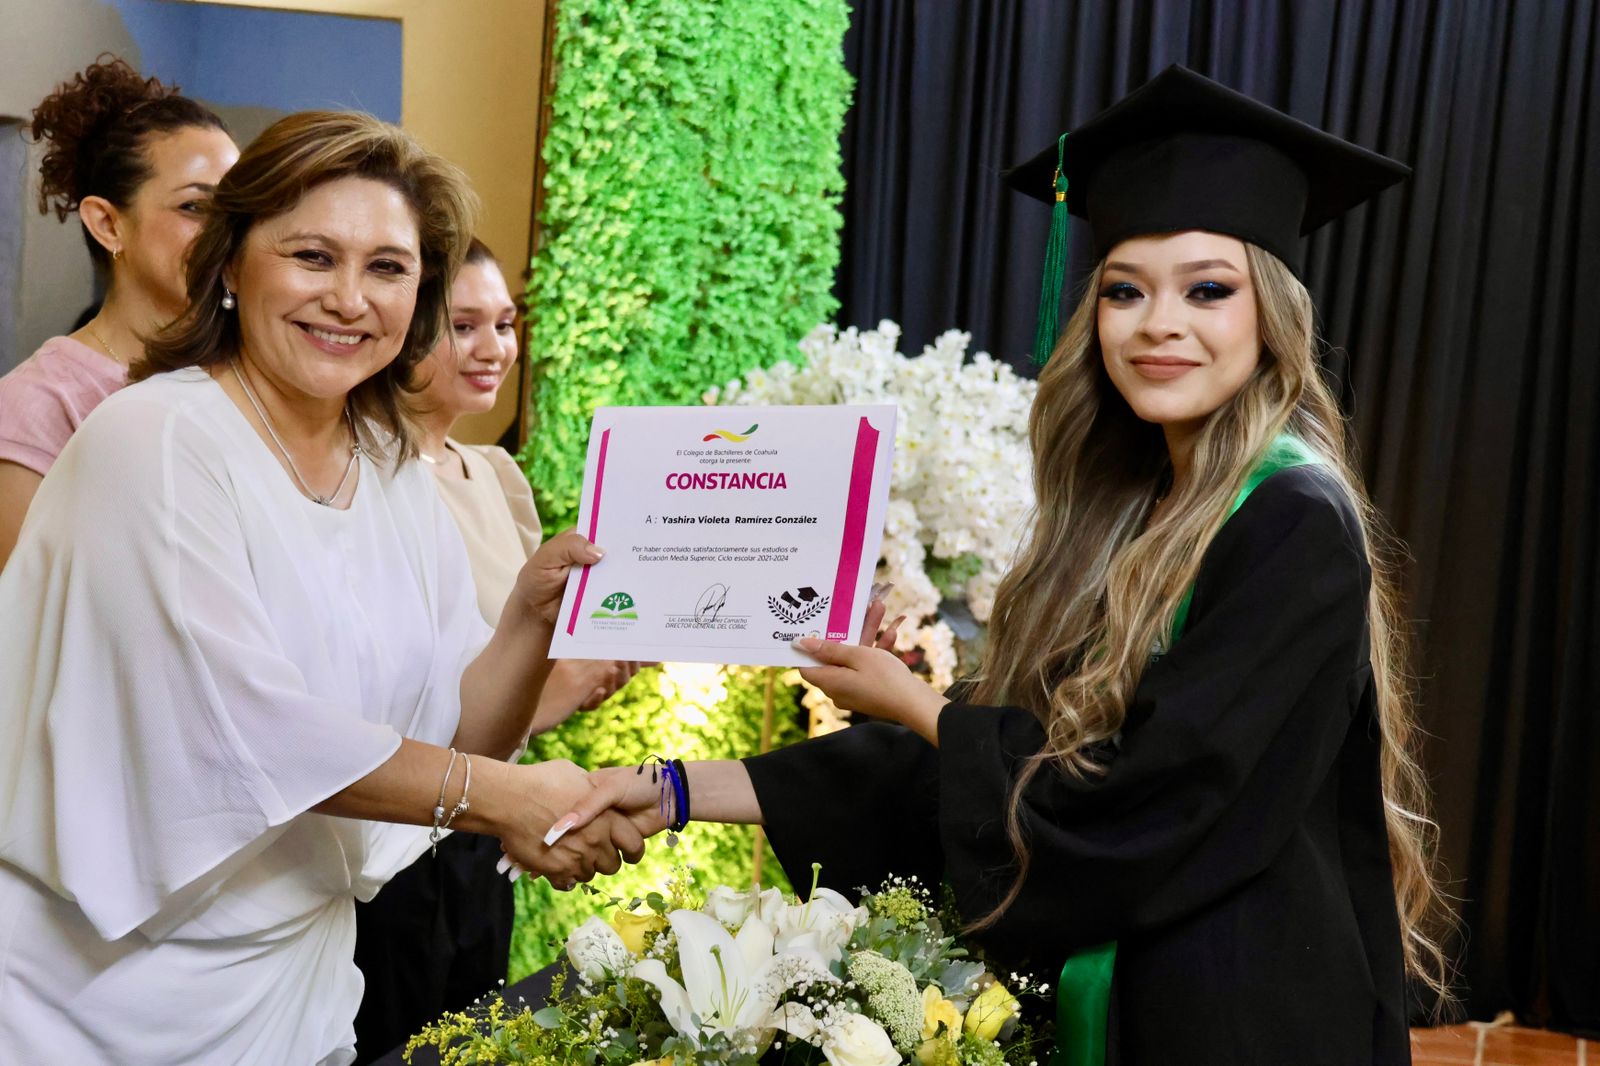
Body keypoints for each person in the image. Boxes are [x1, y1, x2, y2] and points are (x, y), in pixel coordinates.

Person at [561, 67, 1451, 1065]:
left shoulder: (1291, 520)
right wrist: (674, 790)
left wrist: (919, 706)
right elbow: (1012, 751)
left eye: (1208, 289)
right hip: (1139, 998)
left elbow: (1148, 791)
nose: (1159, 322)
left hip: (1237, 1017)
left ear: (1271, 315)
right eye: (1124, 290)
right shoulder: (1127, 513)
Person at [0, 110, 648, 1066]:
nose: (349, 299)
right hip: (99, 998)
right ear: (230, 264)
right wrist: (511, 799)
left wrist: (527, 618)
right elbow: (249, 731)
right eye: (312, 256)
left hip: (296, 987)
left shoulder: (389, 466)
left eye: (387, 267)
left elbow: (456, 731)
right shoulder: (155, 438)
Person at [351, 238, 642, 1061]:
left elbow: (505, 675)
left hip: (486, 830)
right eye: (465, 325)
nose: (494, 349)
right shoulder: (361, 475)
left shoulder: (497, 475)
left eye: (506, 324)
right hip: (393, 834)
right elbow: (389, 704)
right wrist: (558, 690)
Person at [0, 56, 239, 568]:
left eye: (236, 211)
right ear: (108, 224)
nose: (225, 233)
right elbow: (29, 603)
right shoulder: (38, 405)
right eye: (195, 207)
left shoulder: (250, 371)